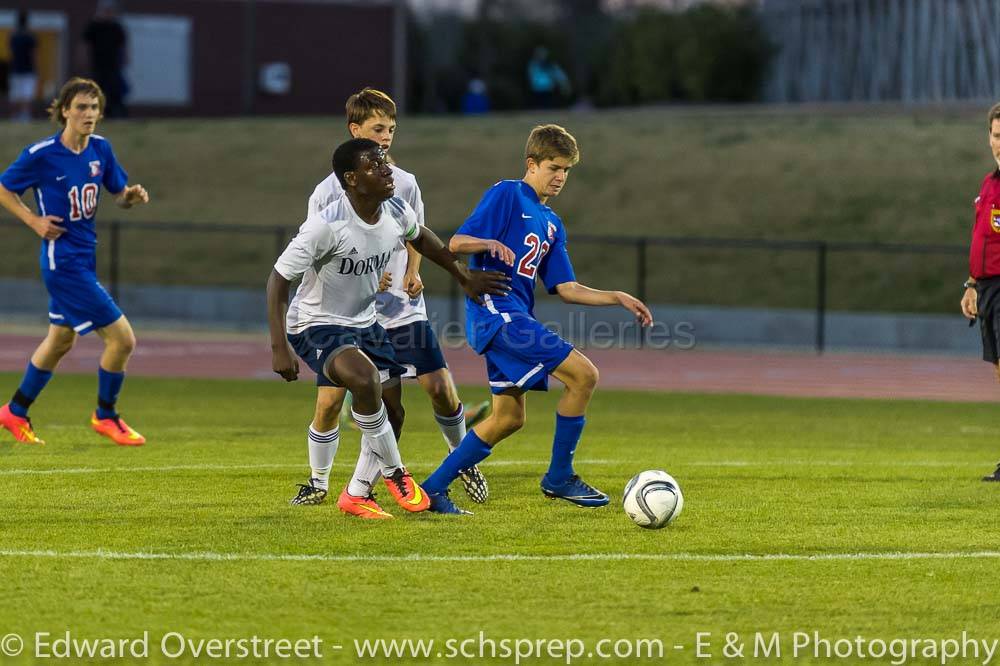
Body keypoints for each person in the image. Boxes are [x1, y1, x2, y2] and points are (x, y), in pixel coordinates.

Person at [268, 138, 508, 519]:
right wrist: (279, 346)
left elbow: (422, 238)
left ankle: (357, 493)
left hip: (365, 323)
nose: (386, 170)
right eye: (374, 165)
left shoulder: (395, 208)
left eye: (385, 162)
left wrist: (463, 276)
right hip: (316, 323)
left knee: (394, 413)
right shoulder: (326, 225)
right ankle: (396, 473)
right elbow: (278, 280)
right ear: (351, 179)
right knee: (364, 381)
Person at [421, 124, 652, 514]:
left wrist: (617, 296)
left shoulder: (551, 222)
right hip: (498, 313)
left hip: (513, 318)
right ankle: (559, 477)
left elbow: (566, 287)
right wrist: (489, 242)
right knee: (584, 375)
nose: (560, 177)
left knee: (508, 418)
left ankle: (431, 490)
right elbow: (457, 243)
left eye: (566, 170)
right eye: (554, 167)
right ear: (532, 164)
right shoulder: (507, 193)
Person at [307, 87, 492, 504]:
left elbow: (416, 234)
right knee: (337, 400)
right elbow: (316, 249)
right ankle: (324, 484)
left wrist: (412, 272)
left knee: (440, 389)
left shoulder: (403, 182)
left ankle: (460, 459)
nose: (387, 136)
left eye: (391, 128)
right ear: (354, 129)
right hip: (349, 314)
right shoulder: (325, 193)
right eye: (377, 128)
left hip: (401, 309)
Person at [0, 77, 149, 447]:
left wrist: (130, 196)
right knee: (123, 340)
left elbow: (119, 195)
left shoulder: (101, 149)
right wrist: (34, 221)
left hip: (84, 258)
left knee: (60, 340)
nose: (90, 114)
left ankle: (14, 411)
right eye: (82, 107)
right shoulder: (42, 154)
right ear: (64, 110)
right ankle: (106, 414)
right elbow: (3, 188)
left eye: (95, 107)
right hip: (63, 263)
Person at [960, 101, 1000, 483]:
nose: (999, 143)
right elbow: (981, 237)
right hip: (987, 288)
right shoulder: (989, 184)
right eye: (996, 135)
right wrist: (971, 285)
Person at [82, 0, 128, 118]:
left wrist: (125, 59)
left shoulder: (116, 27)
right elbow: (85, 46)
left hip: (113, 66)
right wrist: (84, 60)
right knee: (97, 91)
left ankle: (115, 114)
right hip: (97, 65)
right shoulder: (93, 27)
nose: (108, 13)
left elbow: (123, 46)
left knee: (115, 91)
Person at [8, 10, 36, 122]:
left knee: (15, 94)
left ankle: (14, 115)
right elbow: (34, 54)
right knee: (26, 94)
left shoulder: (13, 36)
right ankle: (24, 115)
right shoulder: (30, 37)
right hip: (28, 69)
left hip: (15, 69)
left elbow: (11, 52)